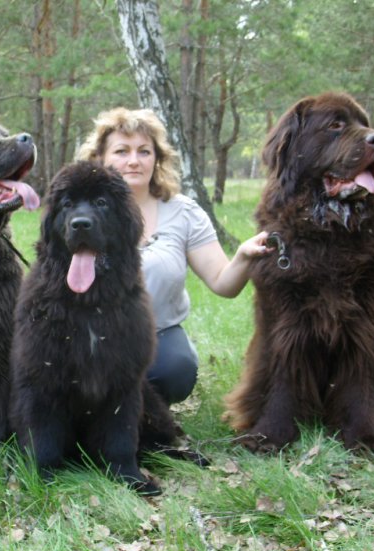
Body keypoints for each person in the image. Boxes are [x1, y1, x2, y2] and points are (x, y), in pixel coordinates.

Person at [76, 107, 271, 405]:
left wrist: (243, 256)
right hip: (87, 333)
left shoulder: (183, 212)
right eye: (121, 151)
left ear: (157, 159)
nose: (133, 160)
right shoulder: (79, 212)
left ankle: (140, 409)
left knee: (175, 371)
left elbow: (223, 283)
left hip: (155, 334)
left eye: (144, 151)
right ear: (100, 157)